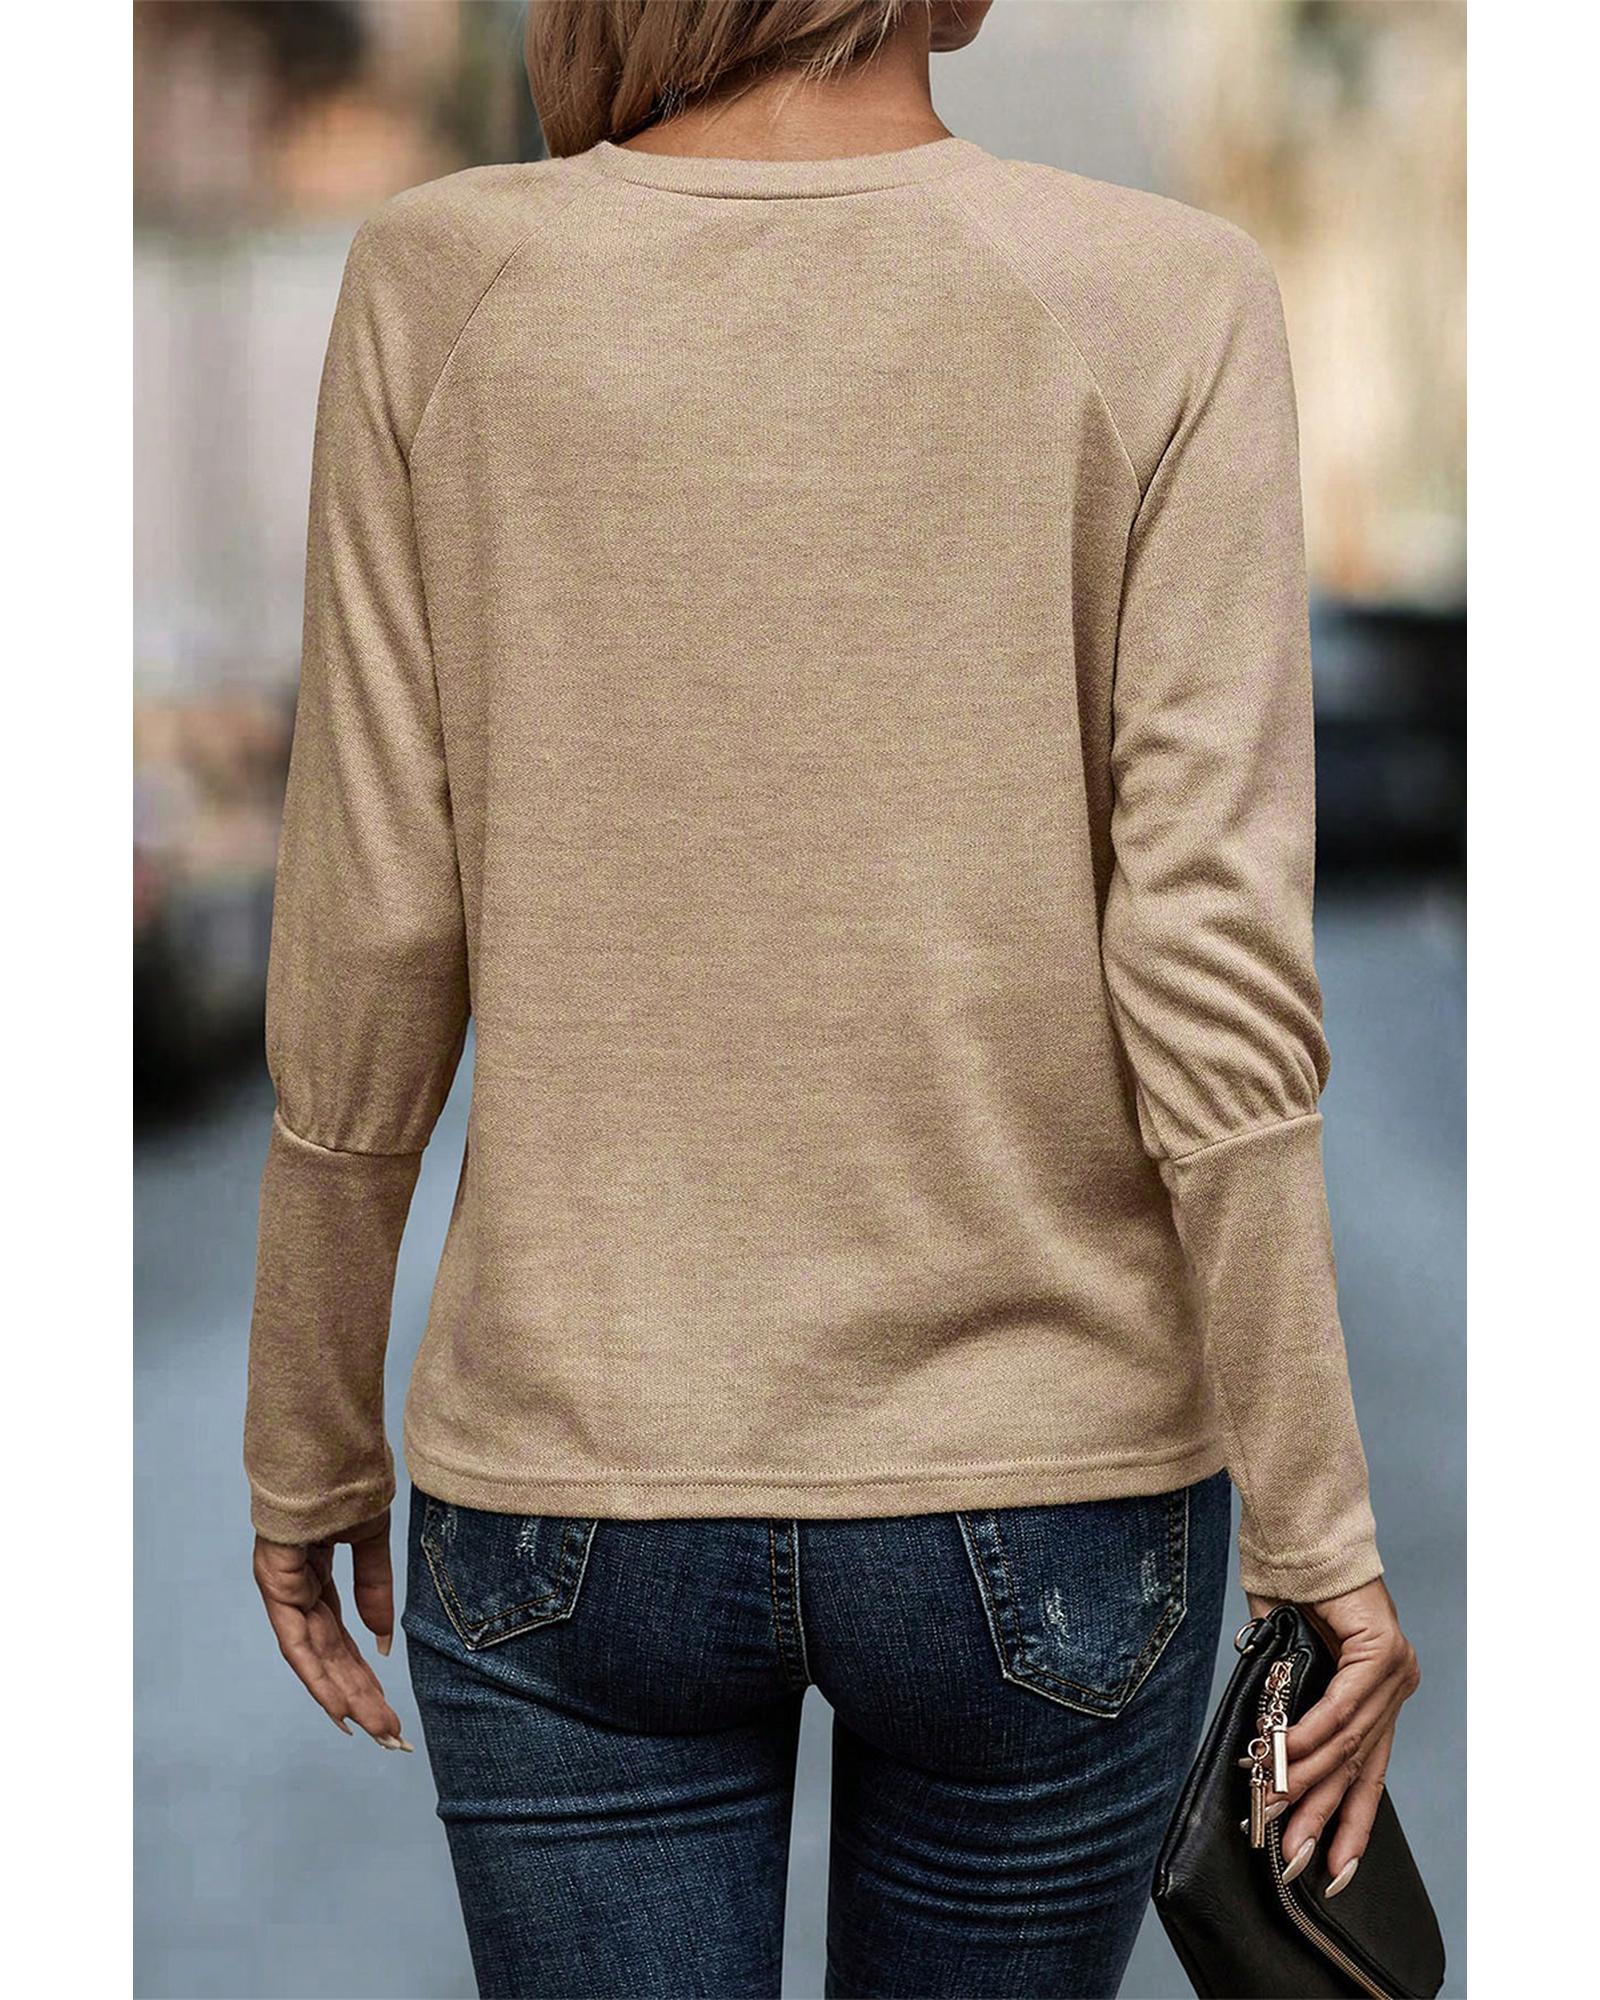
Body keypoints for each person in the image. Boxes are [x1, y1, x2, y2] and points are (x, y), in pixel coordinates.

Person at [244, 3, 1420, 1994]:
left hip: (573, 1477)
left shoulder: (445, 287)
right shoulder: (1165, 298)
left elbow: (371, 921)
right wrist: (1322, 1529)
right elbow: (1209, 957)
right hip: (1049, 1492)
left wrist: (308, 1432)